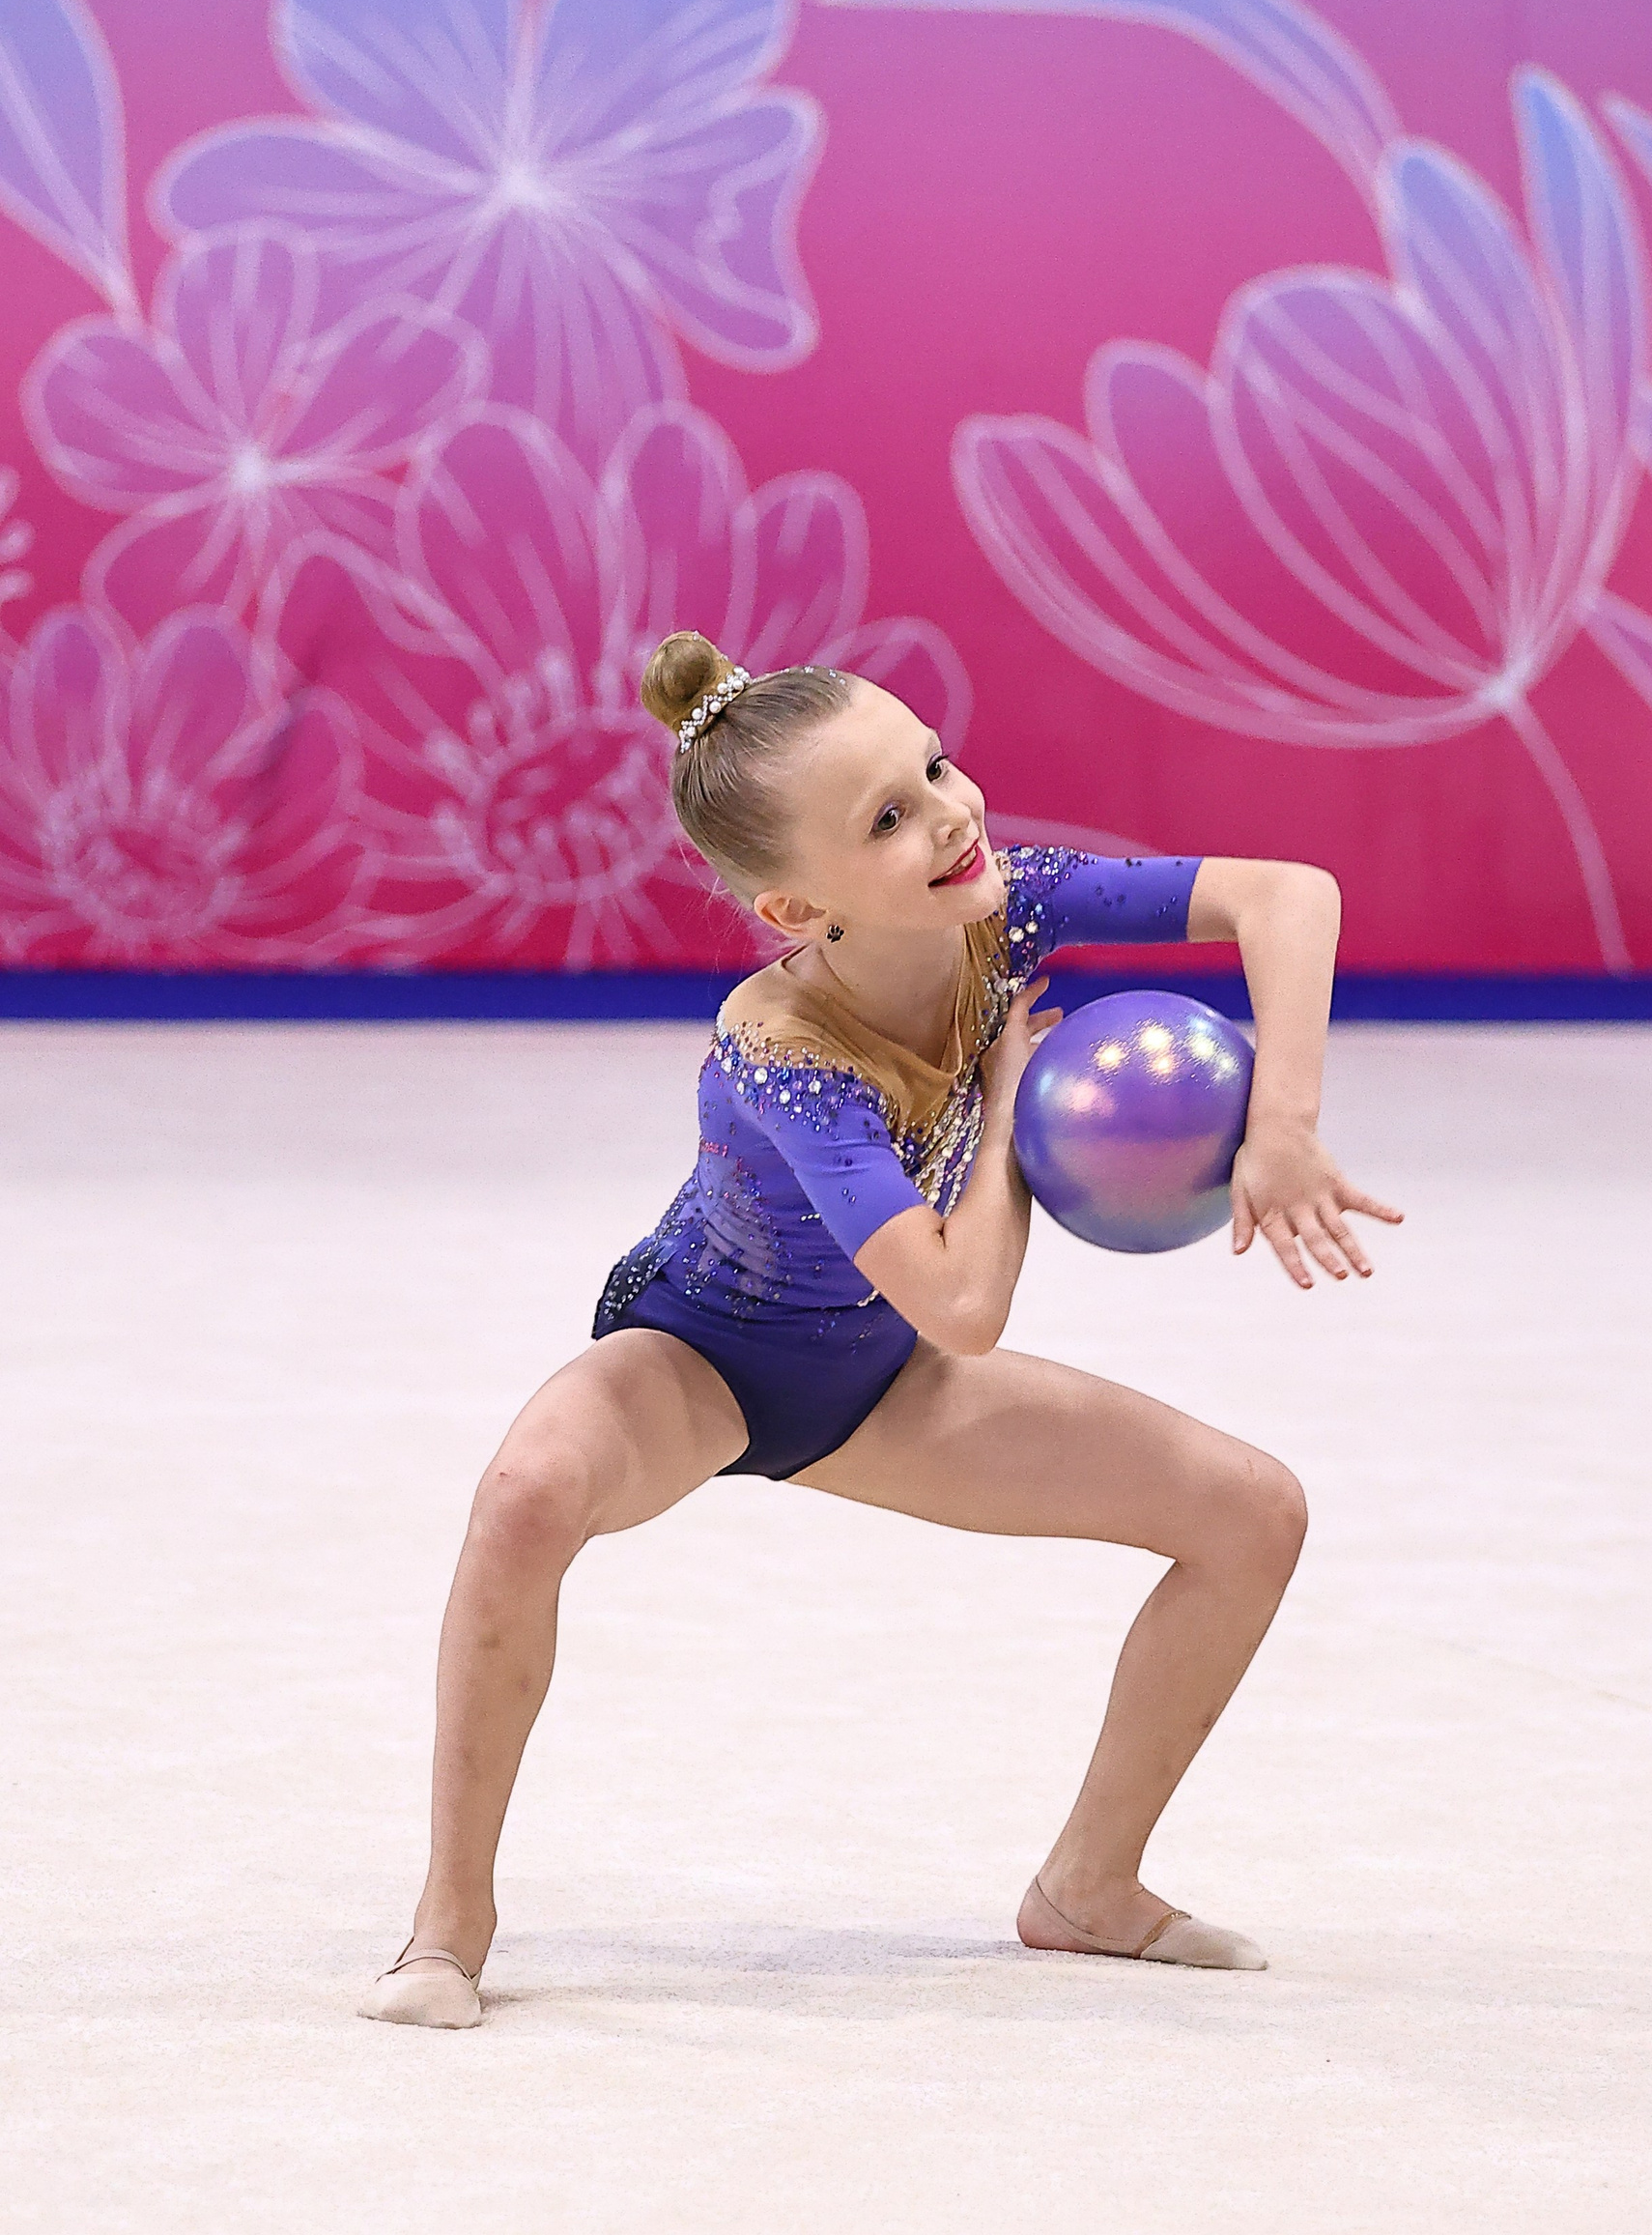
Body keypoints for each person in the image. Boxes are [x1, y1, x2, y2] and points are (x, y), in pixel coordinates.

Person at [361, 634, 1402, 2026]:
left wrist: (1282, 1123)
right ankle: (449, 1926)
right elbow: (965, 1308)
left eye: (936, 766)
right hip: (696, 1360)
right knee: (525, 1497)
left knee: (1254, 1513)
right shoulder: (785, 1054)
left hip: (873, 1378)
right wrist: (1013, 1104)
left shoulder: (1006, 908)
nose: (951, 814)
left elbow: (1289, 894)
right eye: (890, 819)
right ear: (798, 906)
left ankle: (1088, 1886)